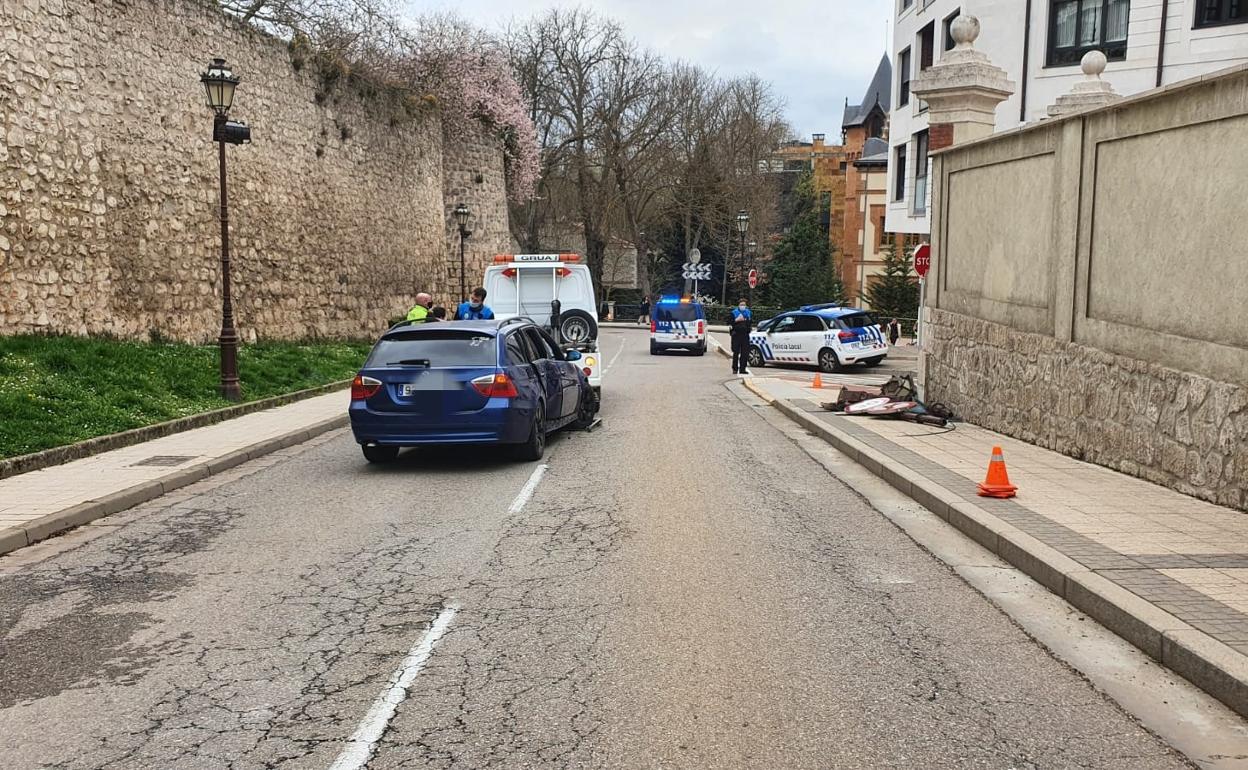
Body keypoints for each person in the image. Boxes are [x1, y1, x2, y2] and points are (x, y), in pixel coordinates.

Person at [730, 298, 752, 375]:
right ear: (738, 305)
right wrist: (737, 320)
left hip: (745, 335)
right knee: (736, 352)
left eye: (744, 305)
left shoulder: (748, 312)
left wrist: (749, 329)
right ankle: (735, 368)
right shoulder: (734, 313)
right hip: (736, 335)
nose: (743, 306)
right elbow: (730, 322)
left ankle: (743, 369)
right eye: (741, 305)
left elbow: (750, 323)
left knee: (745, 353)